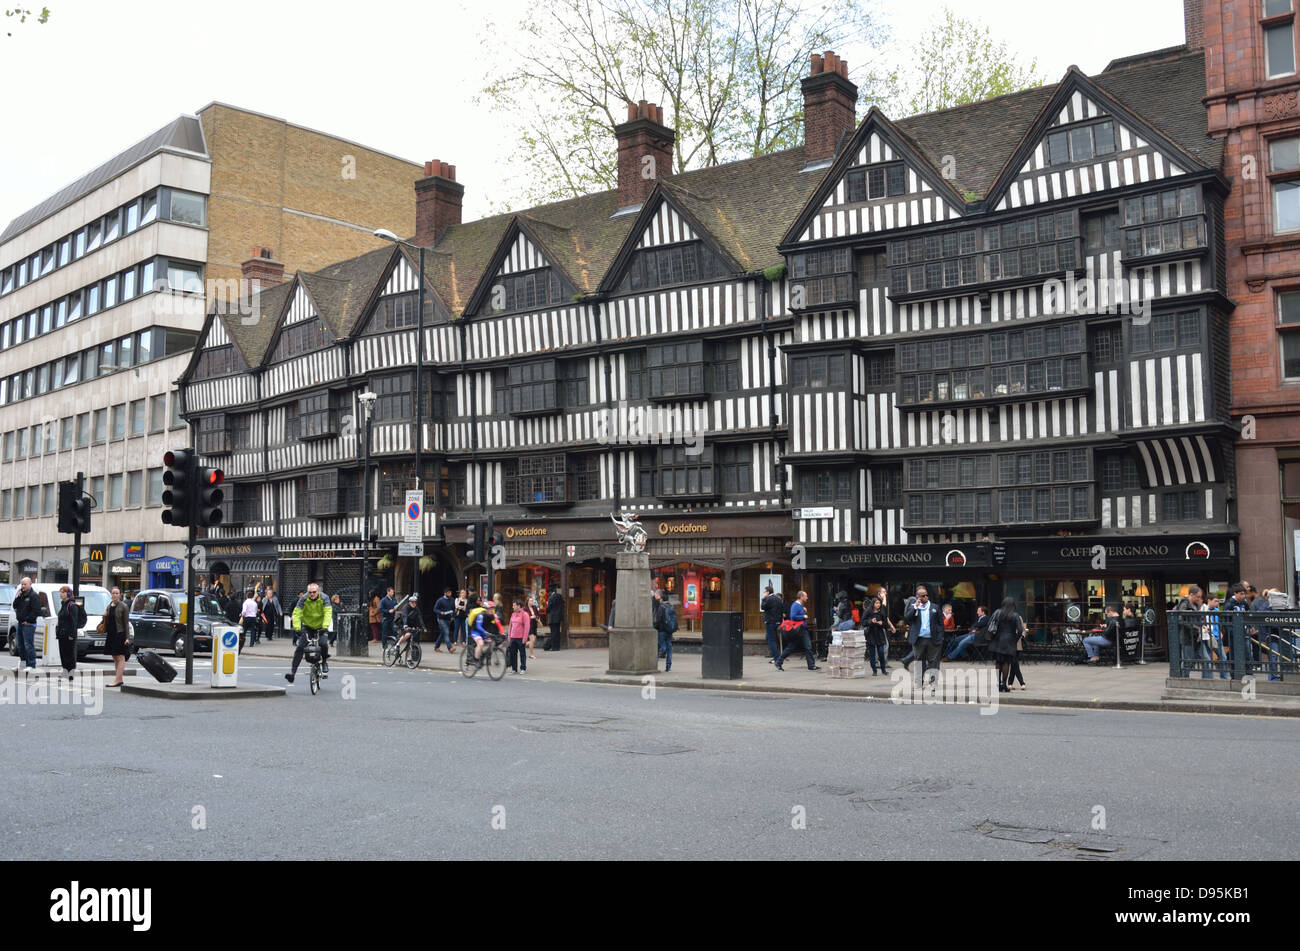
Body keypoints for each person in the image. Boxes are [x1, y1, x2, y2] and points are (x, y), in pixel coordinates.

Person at [285, 583, 332, 684]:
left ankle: (324, 662)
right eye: (310, 592)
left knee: (323, 644)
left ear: (318, 591)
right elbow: (296, 613)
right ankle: (292, 674)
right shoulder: (303, 599)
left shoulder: (325, 598)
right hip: (308, 626)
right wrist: (297, 628)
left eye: (314, 592)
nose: (312, 594)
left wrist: (325, 626)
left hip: (321, 626)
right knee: (300, 648)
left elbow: (328, 613)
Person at [902, 586, 943, 680]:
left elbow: (940, 624)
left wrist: (940, 637)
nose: (925, 597)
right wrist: (915, 607)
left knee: (933, 662)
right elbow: (907, 619)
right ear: (918, 597)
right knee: (919, 662)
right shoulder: (914, 607)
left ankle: (933, 683)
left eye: (926, 595)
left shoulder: (935, 607)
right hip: (919, 639)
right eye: (923, 596)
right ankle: (918, 682)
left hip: (932, 639)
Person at [987, 596, 1025, 693]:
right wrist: (1015, 639)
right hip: (1009, 641)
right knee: (1006, 663)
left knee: (998, 662)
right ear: (1013, 605)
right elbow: (1020, 630)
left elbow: (989, 625)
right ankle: (1004, 684)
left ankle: (998, 683)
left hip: (997, 640)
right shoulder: (1015, 615)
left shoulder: (997, 612)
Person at [774, 590, 818, 671]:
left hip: (802, 630)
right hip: (798, 630)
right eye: (806, 596)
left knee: (807, 647)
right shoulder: (795, 605)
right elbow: (793, 616)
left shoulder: (800, 605)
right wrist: (803, 616)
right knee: (792, 647)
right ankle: (779, 662)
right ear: (801, 597)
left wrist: (803, 610)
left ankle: (811, 665)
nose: (807, 598)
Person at [11, 577, 45, 671]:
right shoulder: (21, 595)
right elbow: (15, 605)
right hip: (20, 623)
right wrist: (18, 596)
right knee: (20, 644)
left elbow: (36, 610)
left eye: (25, 584)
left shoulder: (34, 596)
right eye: (22, 584)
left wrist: (29, 620)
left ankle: (31, 664)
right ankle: (22, 663)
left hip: (28, 624)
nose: (23, 586)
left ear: (30, 584)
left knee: (28, 644)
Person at [55, 586, 86, 677]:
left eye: (63, 592)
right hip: (62, 634)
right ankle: (65, 671)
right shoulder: (63, 604)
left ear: (68, 594)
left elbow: (74, 621)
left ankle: (70, 672)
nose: (61, 594)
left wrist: (72, 634)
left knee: (70, 654)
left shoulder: (72, 605)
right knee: (63, 653)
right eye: (60, 592)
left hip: (69, 634)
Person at [104, 587, 131, 688]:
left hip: (120, 634)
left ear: (120, 595)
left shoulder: (123, 606)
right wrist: (105, 616)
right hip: (111, 633)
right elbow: (108, 621)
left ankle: (118, 680)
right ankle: (119, 679)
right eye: (113, 593)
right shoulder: (109, 606)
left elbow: (126, 623)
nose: (115, 595)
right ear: (111, 594)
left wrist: (127, 637)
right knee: (115, 657)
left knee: (120, 657)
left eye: (117, 593)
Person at [1174, 585, 1205, 671]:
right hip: (1187, 637)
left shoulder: (1195, 605)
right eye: (1197, 596)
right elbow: (1181, 619)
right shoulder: (1184, 604)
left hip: (1194, 637)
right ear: (1191, 594)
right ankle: (1184, 679)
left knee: (1192, 660)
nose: (1199, 598)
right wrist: (1195, 628)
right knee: (1187, 661)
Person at [863, 596, 889, 675]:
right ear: (873, 603)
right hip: (871, 634)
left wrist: (882, 623)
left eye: (879, 603)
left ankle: (883, 669)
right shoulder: (868, 612)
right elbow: (863, 622)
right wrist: (871, 621)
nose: (878, 605)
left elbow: (886, 624)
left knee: (881, 652)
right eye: (876, 603)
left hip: (880, 634)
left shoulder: (882, 612)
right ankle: (874, 670)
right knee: (872, 654)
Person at [653, 589, 677, 672]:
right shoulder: (671, 606)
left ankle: (659, 656)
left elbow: (658, 619)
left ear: (661, 598)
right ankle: (668, 666)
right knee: (669, 647)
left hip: (662, 630)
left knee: (662, 646)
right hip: (669, 630)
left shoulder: (661, 607)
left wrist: (654, 626)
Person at [1203, 595, 1226, 680]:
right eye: (1215, 601)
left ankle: (1224, 677)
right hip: (1208, 637)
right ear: (1209, 600)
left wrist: (1221, 632)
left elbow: (1221, 623)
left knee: (1223, 658)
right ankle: (1207, 678)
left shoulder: (1217, 611)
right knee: (1208, 659)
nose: (1217, 603)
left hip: (1217, 637)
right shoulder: (1204, 610)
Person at [760, 584, 784, 664]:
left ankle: (777, 658)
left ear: (768, 592)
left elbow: (763, 607)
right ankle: (776, 656)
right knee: (770, 638)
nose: (764, 593)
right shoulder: (778, 599)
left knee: (771, 640)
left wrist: (763, 599)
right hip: (778, 622)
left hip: (770, 622)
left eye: (764, 592)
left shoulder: (769, 599)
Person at [507, 598, 530, 673]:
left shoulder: (524, 614)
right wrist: (509, 637)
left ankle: (523, 668)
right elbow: (510, 626)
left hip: (520, 638)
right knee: (513, 654)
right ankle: (514, 669)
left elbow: (527, 627)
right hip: (513, 638)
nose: (512, 607)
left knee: (522, 654)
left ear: (518, 606)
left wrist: (524, 638)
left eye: (514, 605)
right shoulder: (513, 614)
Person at [432, 588, 456, 653]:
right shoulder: (440, 600)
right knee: (446, 632)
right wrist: (440, 612)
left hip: (448, 618)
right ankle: (450, 648)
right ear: (445, 593)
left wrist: (453, 616)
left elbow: (454, 609)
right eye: (448, 593)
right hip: (441, 619)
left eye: (450, 593)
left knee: (443, 633)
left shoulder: (452, 599)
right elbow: (435, 609)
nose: (450, 594)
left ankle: (436, 647)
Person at [544, 586, 565, 651]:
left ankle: (554, 647)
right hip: (558, 618)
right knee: (557, 633)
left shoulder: (551, 598)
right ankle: (557, 647)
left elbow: (548, 608)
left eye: (548, 593)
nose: (547, 594)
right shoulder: (559, 596)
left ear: (550, 592)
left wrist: (546, 610)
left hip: (552, 618)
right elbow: (563, 604)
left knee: (553, 633)